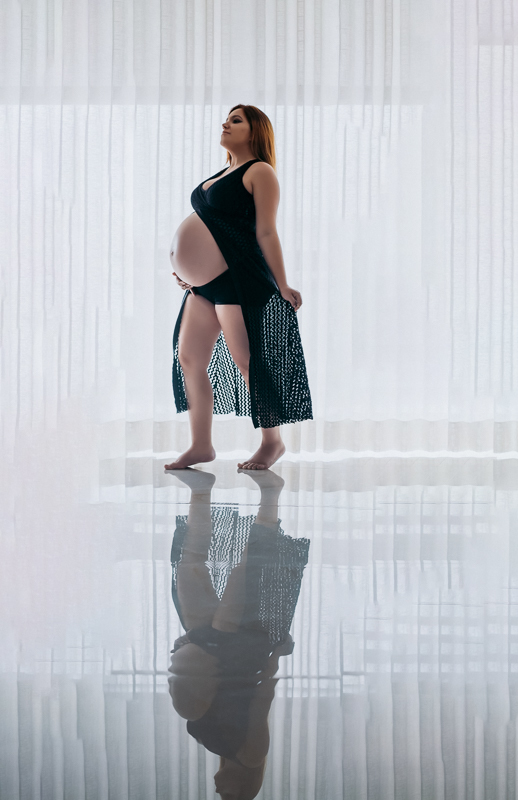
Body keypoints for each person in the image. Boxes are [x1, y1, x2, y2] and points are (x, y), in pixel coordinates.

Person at [165, 104, 312, 472]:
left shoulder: (260, 171)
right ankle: (201, 446)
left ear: (255, 131)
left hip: (237, 281)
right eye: (226, 119)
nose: (226, 124)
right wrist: (191, 273)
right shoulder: (223, 172)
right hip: (203, 288)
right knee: (190, 360)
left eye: (236, 120)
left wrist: (282, 283)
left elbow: (265, 231)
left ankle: (272, 441)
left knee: (247, 362)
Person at [167, 469, 310, 799]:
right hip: (237, 654)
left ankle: (202, 490)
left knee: (190, 565)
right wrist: (276, 651)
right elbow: (263, 699)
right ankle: (271, 493)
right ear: (244, 788)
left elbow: (214, 703)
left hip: (210, 646)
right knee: (244, 571)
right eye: (228, 797)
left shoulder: (225, 750)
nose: (219, 791)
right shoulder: (251, 754)